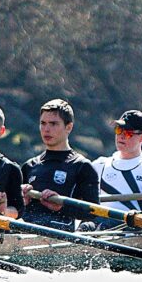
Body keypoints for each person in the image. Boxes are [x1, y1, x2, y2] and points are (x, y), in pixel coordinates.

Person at [20, 98, 99, 231]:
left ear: (69, 127)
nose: (46, 129)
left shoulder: (82, 166)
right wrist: (21, 200)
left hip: (60, 238)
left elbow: (93, 213)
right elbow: (13, 209)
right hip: (24, 234)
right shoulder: (29, 166)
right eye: (43, 123)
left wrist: (61, 205)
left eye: (53, 124)